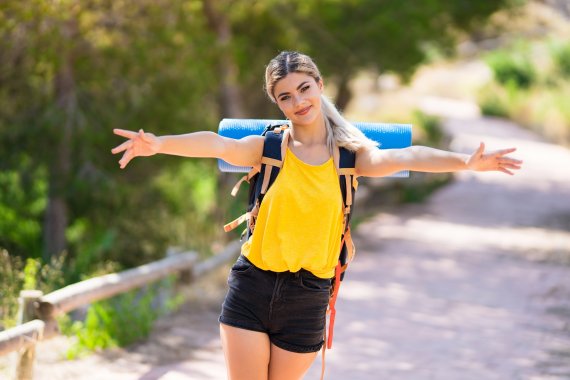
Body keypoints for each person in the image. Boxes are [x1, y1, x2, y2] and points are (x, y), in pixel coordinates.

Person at [112, 51, 522, 380]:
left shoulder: (351, 156)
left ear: (320, 86)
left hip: (308, 296)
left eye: (304, 88)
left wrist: (465, 162)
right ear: (277, 102)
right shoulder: (268, 149)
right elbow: (217, 144)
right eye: (285, 96)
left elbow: (405, 156)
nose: (298, 101)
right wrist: (159, 143)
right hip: (252, 284)